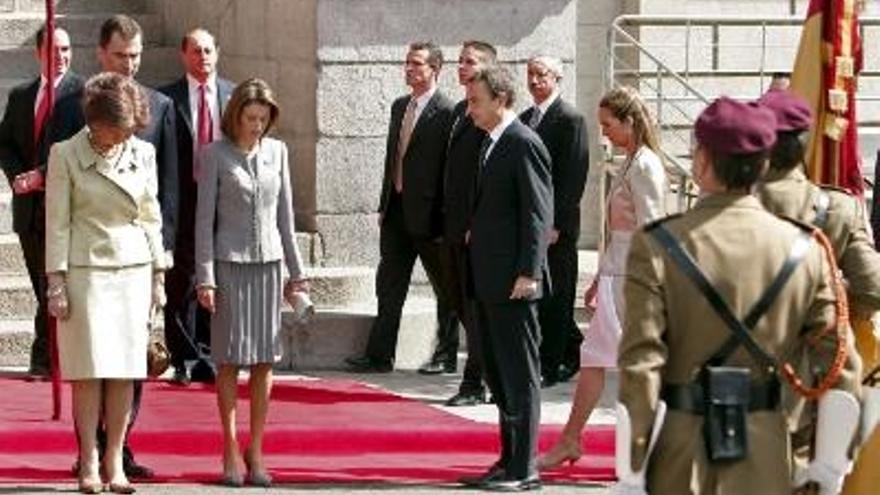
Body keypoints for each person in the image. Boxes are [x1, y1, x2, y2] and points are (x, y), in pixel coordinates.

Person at [616, 97, 861, 494]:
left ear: (701, 161)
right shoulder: (806, 249)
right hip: (768, 448)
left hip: (680, 449)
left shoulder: (657, 243)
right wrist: (829, 464)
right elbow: (841, 364)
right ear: (763, 164)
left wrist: (633, 466)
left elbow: (641, 363)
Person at [44, 72, 166, 495]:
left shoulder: (143, 153)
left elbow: (151, 216)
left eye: (129, 129)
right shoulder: (65, 154)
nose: (122, 137)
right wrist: (55, 281)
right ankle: (89, 460)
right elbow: (57, 223)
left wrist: (159, 275)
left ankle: (116, 459)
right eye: (116, 129)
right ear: (95, 121)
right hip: (87, 271)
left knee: (124, 372)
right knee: (89, 371)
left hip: (132, 269)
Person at [539, 86, 666, 469]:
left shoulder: (644, 164)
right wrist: (600, 277)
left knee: (623, 364)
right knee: (598, 359)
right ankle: (574, 439)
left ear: (629, 122)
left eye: (609, 124)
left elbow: (653, 227)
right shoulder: (630, 161)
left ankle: (630, 448)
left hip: (634, 278)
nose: (604, 132)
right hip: (619, 274)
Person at [195, 78, 308, 487]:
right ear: (236, 115)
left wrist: (298, 275)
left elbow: (286, 219)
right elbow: (203, 222)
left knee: (264, 362)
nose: (257, 126)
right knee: (227, 360)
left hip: (270, 267)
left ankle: (256, 449)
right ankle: (228, 447)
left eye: (263, 119)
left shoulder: (278, 152)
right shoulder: (214, 155)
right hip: (229, 267)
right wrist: (204, 278)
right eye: (251, 118)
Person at [460, 65, 553, 491]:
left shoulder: (522, 143)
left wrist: (528, 272)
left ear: (500, 99)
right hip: (490, 279)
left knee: (519, 375)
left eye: (476, 101)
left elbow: (537, 213)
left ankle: (524, 467)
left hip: (515, 283)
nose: (470, 109)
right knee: (499, 374)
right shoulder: (491, 143)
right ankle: (508, 458)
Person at [345, 41, 455, 373]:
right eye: (407, 62)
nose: (409, 68)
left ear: (434, 69)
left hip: (430, 218)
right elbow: (393, 159)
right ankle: (379, 355)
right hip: (396, 212)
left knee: (445, 288)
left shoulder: (448, 112)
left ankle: (446, 355)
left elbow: (449, 169)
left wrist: (445, 216)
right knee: (389, 285)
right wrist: (384, 204)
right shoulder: (399, 107)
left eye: (417, 64)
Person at [0, 25, 83, 379]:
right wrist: (20, 177)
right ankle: (48, 353)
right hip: (29, 209)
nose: (61, 56)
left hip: (67, 207)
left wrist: (43, 175)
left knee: (57, 283)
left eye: (66, 49)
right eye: (53, 50)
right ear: (38, 53)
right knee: (39, 283)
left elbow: (82, 146)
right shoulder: (21, 95)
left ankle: (46, 355)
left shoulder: (82, 94)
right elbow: (4, 144)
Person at [159, 28, 234, 385]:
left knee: (215, 276)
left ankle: (209, 352)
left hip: (223, 200)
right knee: (180, 281)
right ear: (183, 54)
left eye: (208, 50)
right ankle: (183, 357)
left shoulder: (234, 97)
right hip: (183, 198)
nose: (202, 57)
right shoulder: (166, 99)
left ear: (216, 53)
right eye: (195, 50)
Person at [519, 55, 589, 388]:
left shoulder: (569, 119)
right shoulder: (524, 118)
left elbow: (573, 176)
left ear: (557, 78)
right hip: (529, 224)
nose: (534, 80)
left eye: (541, 74)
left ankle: (552, 363)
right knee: (543, 297)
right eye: (530, 74)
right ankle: (570, 350)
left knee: (558, 294)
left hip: (556, 228)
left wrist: (556, 223)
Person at [437, 40, 496, 406]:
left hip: (475, 229)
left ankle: (476, 382)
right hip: (453, 226)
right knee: (461, 304)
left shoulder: (488, 117)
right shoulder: (461, 109)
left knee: (476, 310)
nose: (461, 66)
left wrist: (478, 221)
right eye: (459, 60)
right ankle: (485, 374)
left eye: (470, 61)